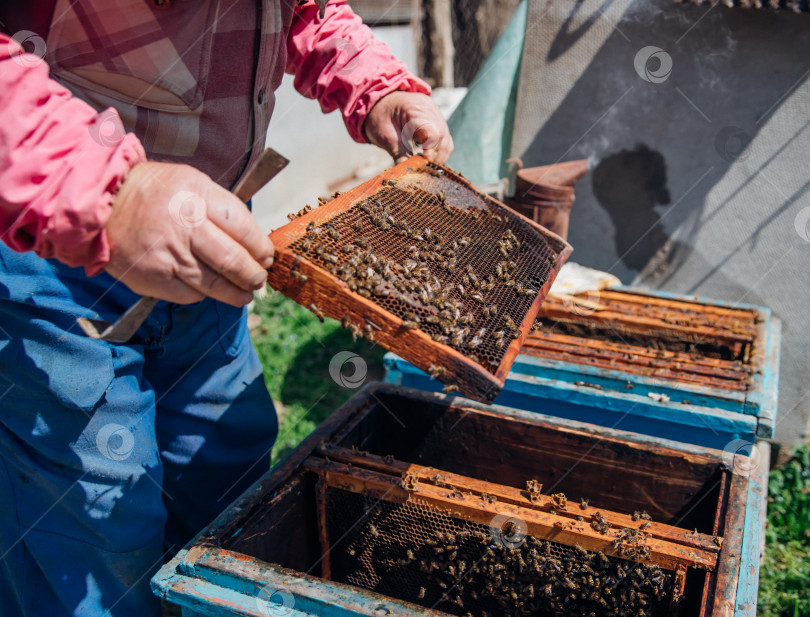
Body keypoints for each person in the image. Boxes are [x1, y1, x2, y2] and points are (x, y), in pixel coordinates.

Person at [0, 2, 453, 616]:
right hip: (62, 267)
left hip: (203, 258)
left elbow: (306, 13)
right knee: (98, 528)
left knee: (227, 478)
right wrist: (111, 192)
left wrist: (378, 88)